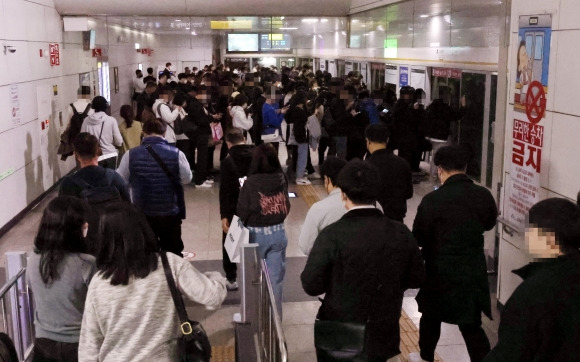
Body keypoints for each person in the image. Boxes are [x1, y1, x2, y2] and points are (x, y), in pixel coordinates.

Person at [301, 160, 425, 362]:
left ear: (343, 194)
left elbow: (311, 284)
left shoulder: (332, 235)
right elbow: (417, 278)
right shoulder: (400, 232)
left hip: (341, 330)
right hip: (384, 325)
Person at [78, 202, 226, 362]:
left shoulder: (98, 284)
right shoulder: (169, 264)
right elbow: (213, 296)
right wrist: (215, 276)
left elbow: (89, 347)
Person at [410, 145, 498, 362]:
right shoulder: (482, 195)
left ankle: (425, 357)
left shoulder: (432, 200)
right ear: (465, 167)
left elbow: (418, 236)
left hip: (438, 269)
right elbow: (489, 223)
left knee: (431, 318)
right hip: (471, 268)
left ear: (440, 169)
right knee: (471, 325)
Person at [483, 197, 580, 361]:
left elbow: (511, 353)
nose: (524, 234)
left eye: (530, 229)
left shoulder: (534, 293)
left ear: (550, 239)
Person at [27, 196, 96, 362]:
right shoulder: (86, 263)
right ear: (73, 229)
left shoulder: (33, 260)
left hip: (43, 344)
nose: (85, 225)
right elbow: (97, 303)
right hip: (78, 344)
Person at [116, 119, 192, 257]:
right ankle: (170, 277)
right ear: (164, 132)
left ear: (143, 132)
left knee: (146, 253)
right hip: (170, 212)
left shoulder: (130, 155)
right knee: (172, 253)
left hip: (142, 212)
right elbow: (187, 178)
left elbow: (120, 180)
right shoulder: (176, 153)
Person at [237, 143, 291, 317]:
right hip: (278, 233)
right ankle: (275, 321)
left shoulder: (251, 183)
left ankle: (252, 318)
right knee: (275, 281)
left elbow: (242, 210)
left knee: (252, 281)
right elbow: (286, 206)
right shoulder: (282, 178)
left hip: (255, 236)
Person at [219, 128, 254, 291]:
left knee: (230, 242)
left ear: (228, 143)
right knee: (253, 241)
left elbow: (225, 191)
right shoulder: (257, 156)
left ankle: (232, 278)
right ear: (244, 139)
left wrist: (224, 215)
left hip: (235, 208)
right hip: (254, 206)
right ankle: (255, 275)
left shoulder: (227, 161)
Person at [298, 156, 347, 256]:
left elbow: (306, 247)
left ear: (327, 179)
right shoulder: (373, 204)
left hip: (332, 267)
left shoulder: (319, 208)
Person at [365, 124, 413, 222]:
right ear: (387, 140)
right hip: (396, 218)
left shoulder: (365, 166)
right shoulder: (402, 163)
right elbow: (408, 193)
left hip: (373, 219)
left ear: (367, 141)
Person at [80, 96, 123, 169]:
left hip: (93, 157)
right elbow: (119, 141)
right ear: (105, 106)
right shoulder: (111, 120)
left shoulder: (86, 121)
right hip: (110, 155)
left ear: (93, 107)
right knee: (109, 179)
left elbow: (82, 139)